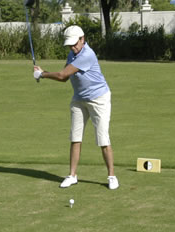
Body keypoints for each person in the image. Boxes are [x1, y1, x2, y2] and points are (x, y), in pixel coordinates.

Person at [33, 25, 119, 190]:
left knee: (102, 139)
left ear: (82, 39)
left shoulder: (87, 54)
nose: (72, 47)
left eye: (75, 43)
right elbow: (65, 78)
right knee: (75, 137)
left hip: (98, 99)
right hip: (79, 99)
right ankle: (72, 175)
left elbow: (62, 75)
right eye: (70, 45)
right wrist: (43, 72)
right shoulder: (72, 55)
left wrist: (42, 74)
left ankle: (112, 176)